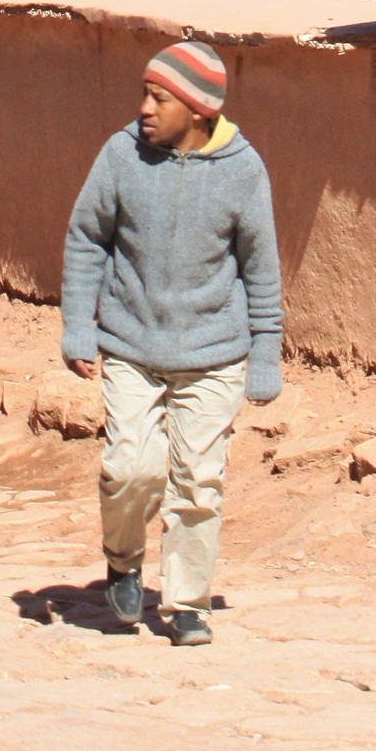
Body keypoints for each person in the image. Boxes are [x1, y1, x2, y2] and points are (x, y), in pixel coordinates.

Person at [62, 42, 282, 643]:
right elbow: (86, 240)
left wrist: (265, 354)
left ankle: (189, 604)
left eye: (160, 98)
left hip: (215, 357)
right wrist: (79, 326)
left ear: (199, 111)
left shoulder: (243, 171)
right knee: (130, 467)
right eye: (145, 93)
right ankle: (123, 558)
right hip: (131, 347)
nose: (145, 109)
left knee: (197, 481)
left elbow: (261, 269)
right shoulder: (120, 156)